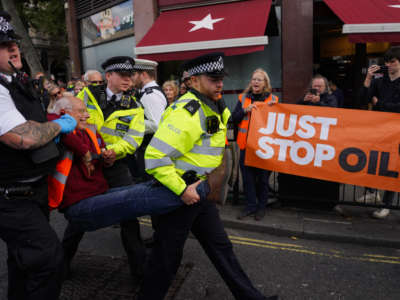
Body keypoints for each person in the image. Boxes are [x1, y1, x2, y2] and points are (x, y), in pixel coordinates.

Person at [137, 53, 278, 300]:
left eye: (221, 78)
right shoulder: (187, 111)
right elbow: (155, 157)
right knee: (166, 258)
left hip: (198, 191)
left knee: (221, 248)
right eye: (213, 79)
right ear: (192, 81)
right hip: (181, 195)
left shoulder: (213, 103)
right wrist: (182, 190)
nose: (220, 83)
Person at [0, 11, 77, 299]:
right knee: (49, 261)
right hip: (10, 197)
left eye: (13, 42)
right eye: (3, 44)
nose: (13, 47)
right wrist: (58, 125)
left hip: (32, 190)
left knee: (23, 262)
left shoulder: (14, 81)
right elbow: (21, 137)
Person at [65, 56, 146, 282]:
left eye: (130, 76)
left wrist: (114, 151)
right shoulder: (87, 95)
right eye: (122, 75)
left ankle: (139, 271)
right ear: (108, 76)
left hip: (115, 165)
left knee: (129, 216)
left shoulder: (135, 106)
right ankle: (61, 264)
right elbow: (73, 118)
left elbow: (134, 138)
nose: (127, 80)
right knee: (78, 216)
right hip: (88, 163)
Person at [49, 96, 186, 230]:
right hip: (79, 203)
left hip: (98, 194)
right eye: (81, 111)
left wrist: (107, 159)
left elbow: (98, 159)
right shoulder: (55, 127)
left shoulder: (90, 131)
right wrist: (85, 152)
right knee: (141, 197)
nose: (88, 115)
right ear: (64, 113)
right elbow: (52, 121)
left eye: (86, 110)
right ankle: (190, 193)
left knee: (150, 187)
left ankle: (187, 188)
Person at [232, 68, 279, 221]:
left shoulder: (273, 100)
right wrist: (245, 110)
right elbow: (234, 118)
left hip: (263, 146)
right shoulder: (243, 98)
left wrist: (272, 110)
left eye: (259, 79)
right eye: (254, 79)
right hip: (246, 145)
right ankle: (250, 205)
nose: (255, 82)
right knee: (247, 178)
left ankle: (261, 208)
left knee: (263, 179)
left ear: (265, 83)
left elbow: (279, 122)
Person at [360, 47, 400, 219]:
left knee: (393, 165)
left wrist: (379, 104)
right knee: (373, 159)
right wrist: (368, 78)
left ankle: (387, 203)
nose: (389, 65)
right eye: (387, 62)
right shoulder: (379, 81)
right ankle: (371, 191)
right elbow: (363, 99)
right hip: (379, 128)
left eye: (393, 61)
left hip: (397, 130)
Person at [131, 58, 167, 181]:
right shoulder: (147, 93)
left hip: (150, 149)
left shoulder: (150, 95)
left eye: (133, 74)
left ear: (144, 75)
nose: (131, 78)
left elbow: (156, 125)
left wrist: (131, 123)